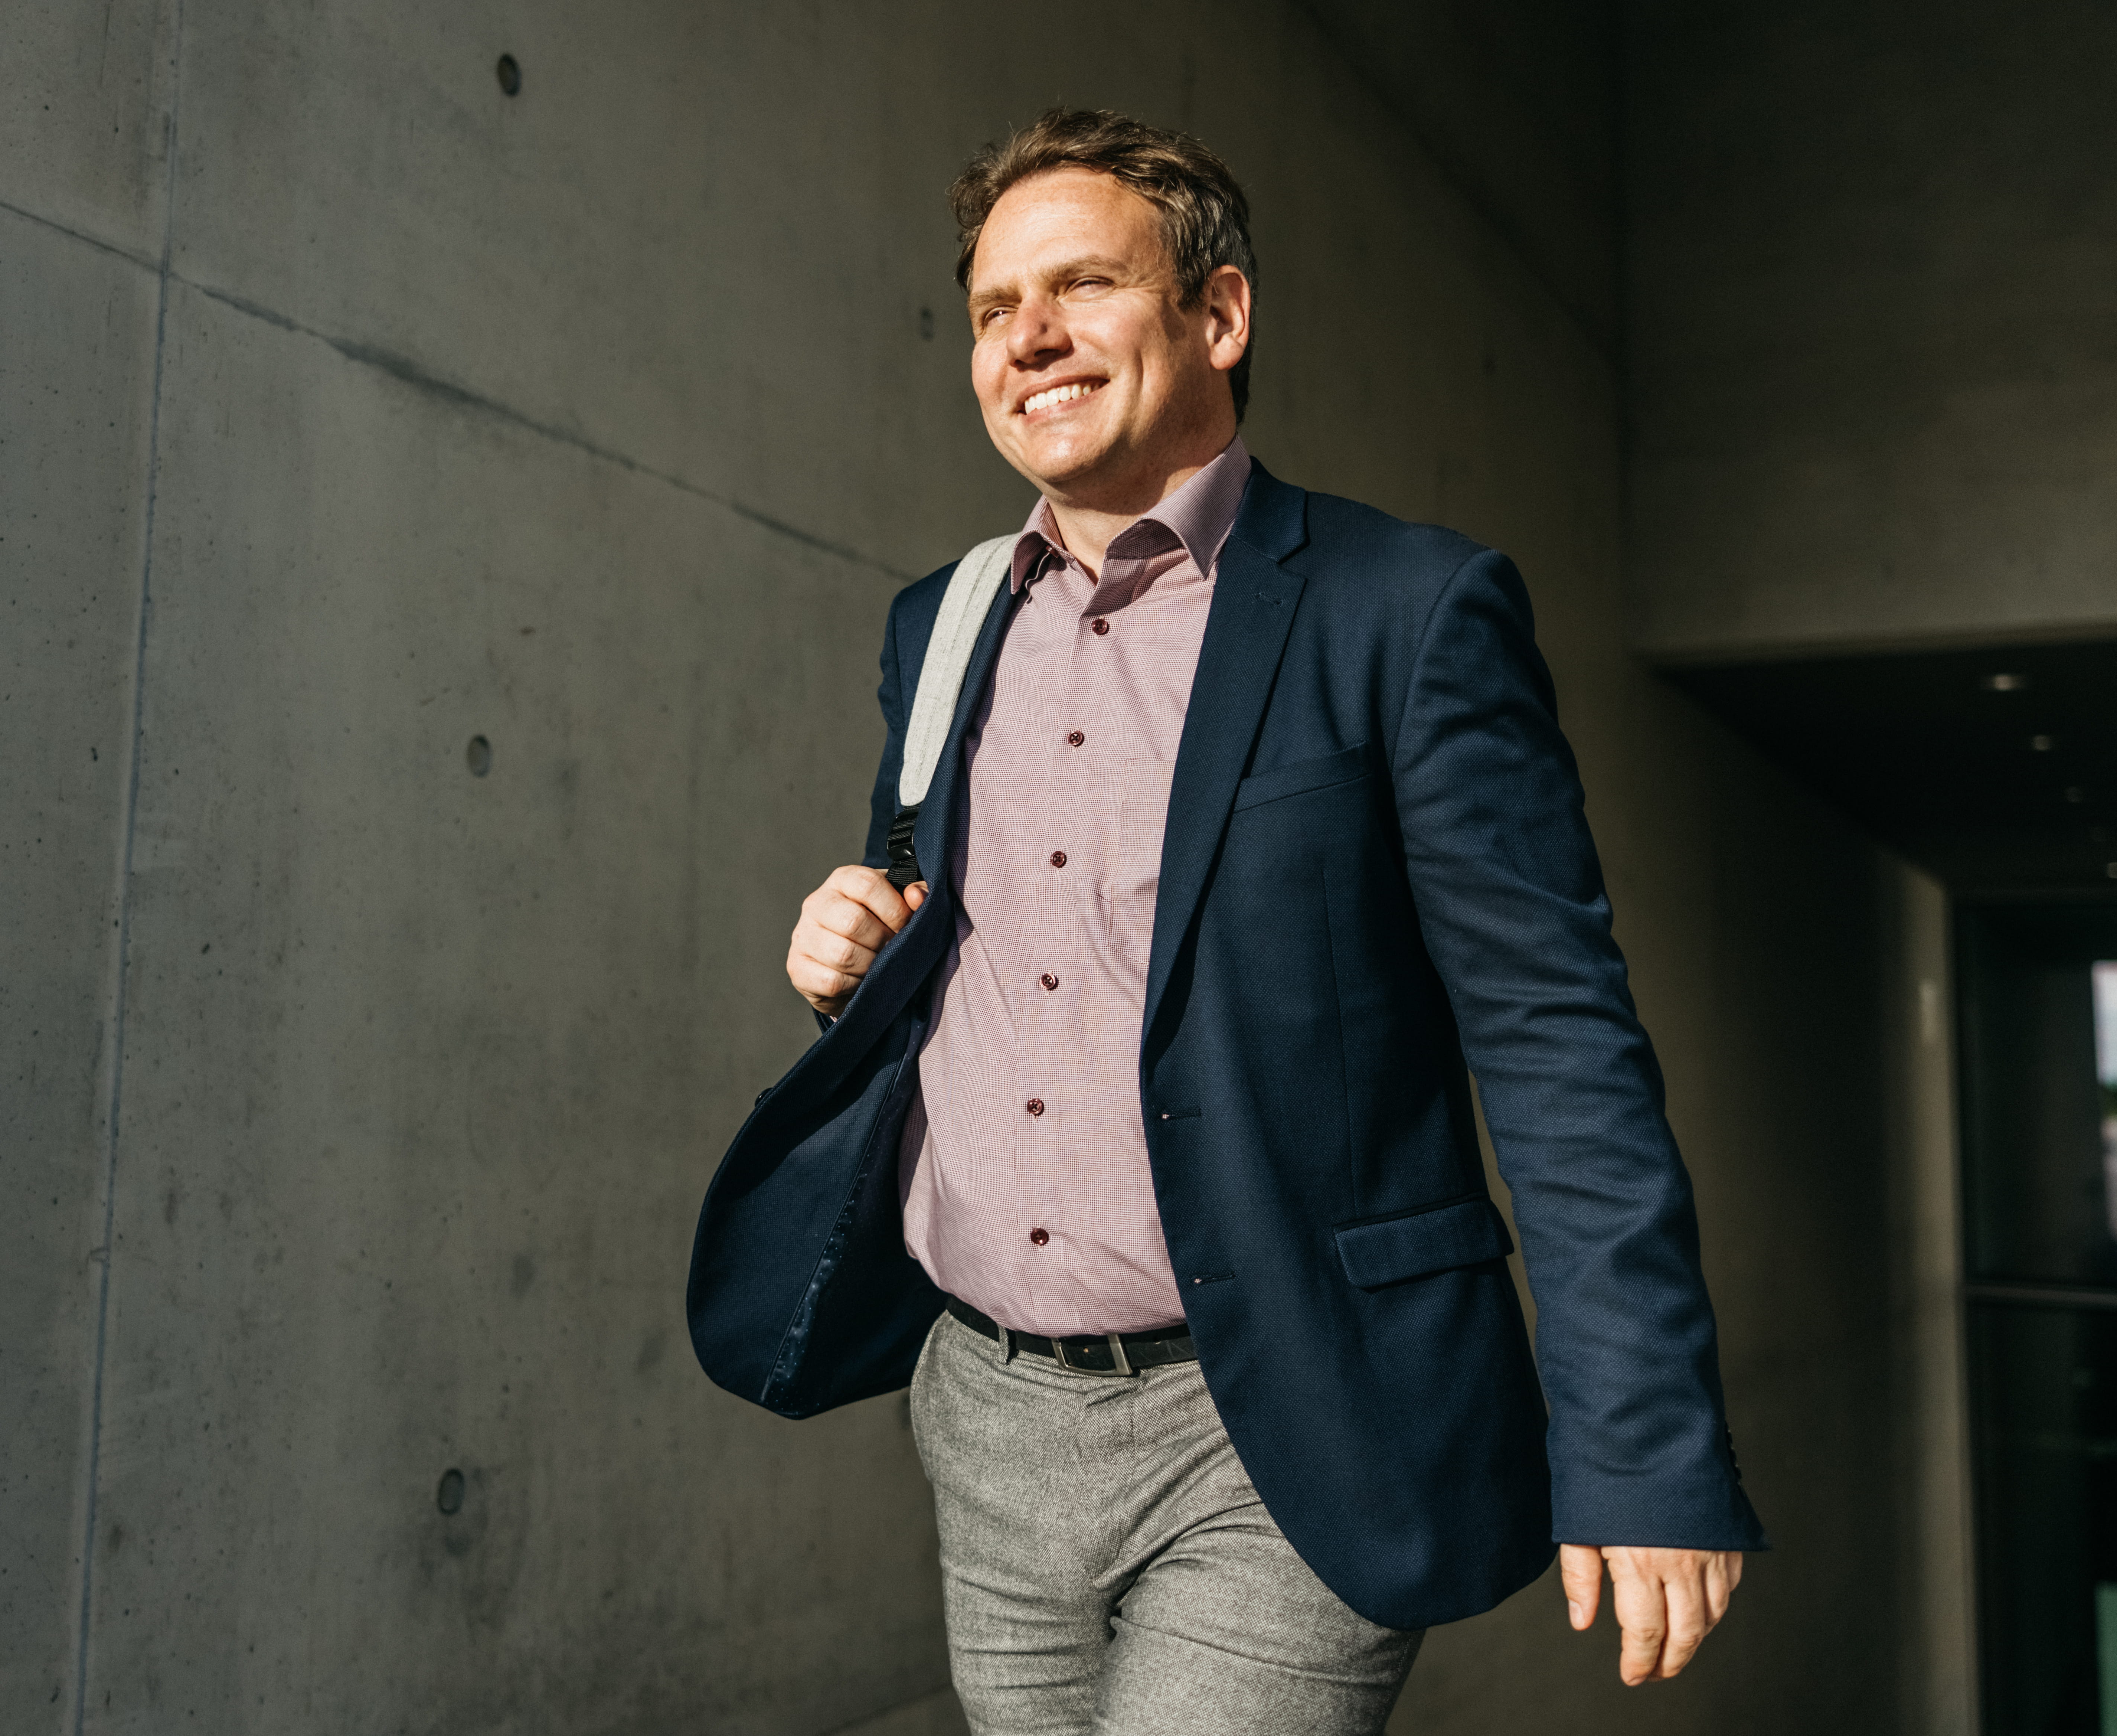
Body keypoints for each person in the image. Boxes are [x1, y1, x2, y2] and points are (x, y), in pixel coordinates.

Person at [686, 107, 1762, 1735]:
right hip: (983, 1415)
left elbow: (1556, 1042)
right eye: (993, 308)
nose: (1029, 337)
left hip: (1283, 1418)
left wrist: (1648, 1444)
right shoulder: (941, 623)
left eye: (1082, 286)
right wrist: (852, 950)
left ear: (1219, 313)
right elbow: (968, 940)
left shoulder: (1407, 611)